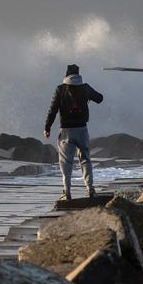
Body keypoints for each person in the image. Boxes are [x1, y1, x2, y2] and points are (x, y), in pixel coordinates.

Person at [43, 64, 104, 201]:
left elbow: (52, 110)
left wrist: (47, 127)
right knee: (86, 160)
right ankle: (91, 190)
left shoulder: (60, 89)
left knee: (66, 162)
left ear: (66, 74)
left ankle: (67, 192)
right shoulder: (85, 88)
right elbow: (100, 98)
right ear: (78, 74)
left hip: (66, 131)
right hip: (82, 130)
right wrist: (87, 96)